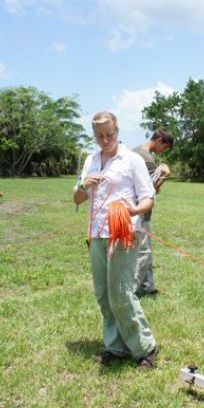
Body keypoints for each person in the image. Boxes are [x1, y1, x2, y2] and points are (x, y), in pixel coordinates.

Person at [73, 111, 159, 369]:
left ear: (117, 131)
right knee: (103, 293)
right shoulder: (90, 161)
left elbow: (148, 198)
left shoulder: (132, 160)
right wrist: (84, 185)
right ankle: (116, 346)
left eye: (109, 134)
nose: (105, 140)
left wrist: (132, 211)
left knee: (120, 292)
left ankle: (145, 347)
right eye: (100, 136)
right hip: (96, 234)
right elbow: (77, 199)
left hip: (123, 234)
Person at [132, 129, 174, 296]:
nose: (163, 151)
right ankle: (130, 289)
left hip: (132, 211)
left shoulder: (135, 152)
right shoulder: (147, 160)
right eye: (165, 147)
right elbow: (150, 191)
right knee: (143, 252)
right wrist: (165, 175)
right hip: (140, 214)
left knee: (145, 249)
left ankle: (148, 287)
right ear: (159, 140)